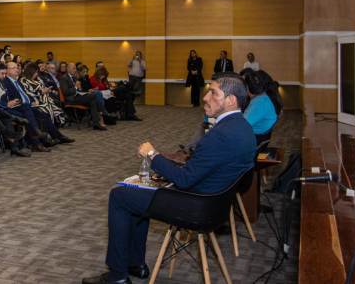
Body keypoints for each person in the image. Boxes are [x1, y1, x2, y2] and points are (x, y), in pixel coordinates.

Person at [81, 73, 256, 284]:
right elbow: (203, 169)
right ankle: (136, 264)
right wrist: (166, 168)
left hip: (197, 207)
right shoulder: (244, 128)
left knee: (119, 196)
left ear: (231, 100)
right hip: (214, 204)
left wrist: (153, 155)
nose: (205, 98)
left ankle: (117, 276)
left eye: (213, 93)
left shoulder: (220, 134)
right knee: (137, 192)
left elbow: (184, 180)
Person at [0, 62, 47, 152]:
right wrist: (7, 104)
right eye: (2, 74)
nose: (4, 76)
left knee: (31, 112)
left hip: (10, 107)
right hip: (2, 110)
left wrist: (11, 102)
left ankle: (36, 140)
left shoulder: (3, 81)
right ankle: (35, 139)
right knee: (26, 113)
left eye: (5, 73)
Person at [19, 63, 74, 143]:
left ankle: (54, 136)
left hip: (45, 100)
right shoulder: (24, 81)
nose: (36, 74)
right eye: (34, 73)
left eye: (37, 73)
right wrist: (42, 91)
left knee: (57, 112)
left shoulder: (38, 80)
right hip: (35, 102)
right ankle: (57, 136)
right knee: (46, 113)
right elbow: (27, 93)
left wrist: (46, 91)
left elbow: (44, 89)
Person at [60, 63, 107, 130]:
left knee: (93, 102)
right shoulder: (64, 78)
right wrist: (76, 87)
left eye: (75, 68)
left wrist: (79, 88)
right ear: (68, 69)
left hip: (78, 96)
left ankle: (96, 124)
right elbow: (65, 92)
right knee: (93, 95)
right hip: (71, 99)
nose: (75, 70)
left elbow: (81, 89)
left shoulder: (75, 78)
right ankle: (103, 111)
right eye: (73, 68)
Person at [241, 69, 278, 135]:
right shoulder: (263, 98)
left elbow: (241, 126)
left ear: (247, 87)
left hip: (251, 137)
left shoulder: (259, 104)